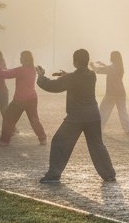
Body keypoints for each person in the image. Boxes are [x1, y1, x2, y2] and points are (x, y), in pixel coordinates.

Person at [37, 48, 117, 184]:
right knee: (97, 145)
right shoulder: (91, 75)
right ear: (87, 61)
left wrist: (41, 76)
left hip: (77, 116)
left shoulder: (71, 78)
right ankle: (109, 174)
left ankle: (54, 174)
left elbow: (52, 86)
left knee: (59, 141)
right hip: (93, 115)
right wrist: (66, 75)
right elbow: (79, 77)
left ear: (75, 62)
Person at [0, 50, 47, 146]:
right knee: (34, 119)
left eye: (21, 57)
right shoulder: (33, 69)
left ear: (24, 59)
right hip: (32, 98)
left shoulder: (21, 70)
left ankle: (4, 141)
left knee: (8, 117)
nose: (20, 58)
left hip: (19, 100)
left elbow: (6, 74)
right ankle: (43, 138)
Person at [92, 50, 129, 134]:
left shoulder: (111, 68)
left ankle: (98, 128)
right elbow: (111, 69)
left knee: (103, 111)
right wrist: (103, 64)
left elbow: (98, 70)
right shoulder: (120, 66)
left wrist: (91, 64)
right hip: (121, 92)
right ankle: (128, 129)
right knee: (123, 112)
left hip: (111, 93)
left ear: (112, 57)